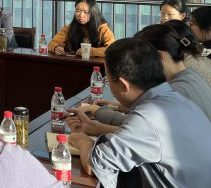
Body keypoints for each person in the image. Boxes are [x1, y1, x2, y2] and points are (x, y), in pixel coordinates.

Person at [69, 39, 211, 188]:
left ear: (123, 85)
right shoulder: (179, 102)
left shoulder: (148, 116)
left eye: (108, 79)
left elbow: (93, 165)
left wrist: (82, 141)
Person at [70, 23, 211, 134]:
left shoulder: (174, 92)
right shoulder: (190, 76)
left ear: (159, 57)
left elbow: (138, 130)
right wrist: (119, 106)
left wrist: (96, 116)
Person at [48, 0, 115, 58]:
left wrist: (90, 51)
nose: (81, 15)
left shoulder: (103, 29)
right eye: (78, 11)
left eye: (86, 12)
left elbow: (112, 50)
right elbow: (52, 43)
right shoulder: (68, 28)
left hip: (96, 64)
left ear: (93, 13)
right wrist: (55, 47)